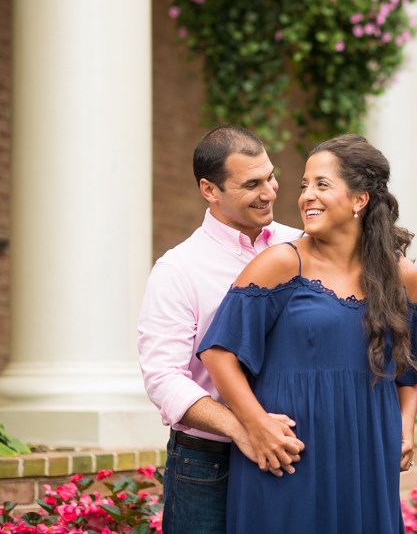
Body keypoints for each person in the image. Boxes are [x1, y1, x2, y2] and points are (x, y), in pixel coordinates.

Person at [198, 134, 417, 534]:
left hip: (367, 450)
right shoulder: (281, 264)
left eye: (322, 184)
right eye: (305, 185)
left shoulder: (402, 276)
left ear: (360, 199)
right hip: (288, 455)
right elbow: (219, 353)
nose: (307, 196)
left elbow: (411, 367)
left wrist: (405, 427)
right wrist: (254, 424)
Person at [137, 126, 306, 534]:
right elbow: (163, 378)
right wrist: (244, 426)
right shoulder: (178, 269)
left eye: (270, 176)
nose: (269, 192)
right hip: (209, 465)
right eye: (251, 184)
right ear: (209, 190)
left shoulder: (303, 244)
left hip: (297, 453)